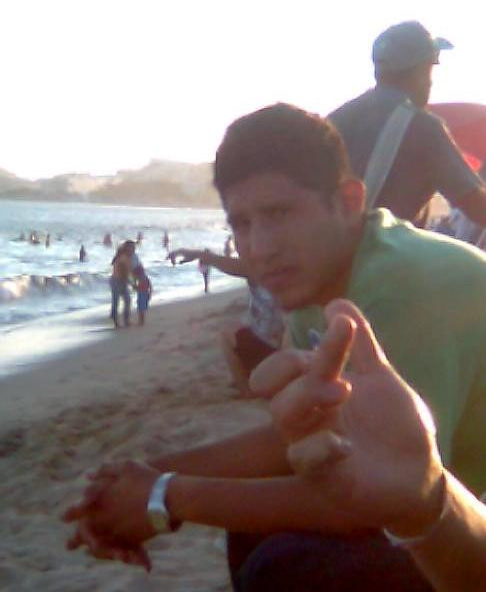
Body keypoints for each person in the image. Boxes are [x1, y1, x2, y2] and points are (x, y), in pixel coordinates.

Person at [64, 103, 485, 590]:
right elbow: (309, 434)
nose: (260, 247)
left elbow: (391, 488)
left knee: (282, 565)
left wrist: (166, 496)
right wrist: (144, 479)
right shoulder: (322, 277)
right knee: (252, 533)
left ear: (348, 202)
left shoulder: (402, 286)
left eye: (279, 214)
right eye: (241, 224)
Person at [250, 299, 486, 592]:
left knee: (279, 565)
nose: (260, 257)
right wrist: (425, 504)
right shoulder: (304, 316)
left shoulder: (410, 300)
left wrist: (186, 494)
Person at [329, 20, 486, 228]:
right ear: (421, 72)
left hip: (326, 246)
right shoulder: (422, 128)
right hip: (381, 246)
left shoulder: (336, 119)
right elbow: (476, 205)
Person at [169, 248, 285, 395]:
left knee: (226, 336)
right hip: (272, 344)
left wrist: (200, 255)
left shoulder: (261, 268)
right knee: (237, 330)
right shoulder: (272, 265)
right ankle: (250, 379)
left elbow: (235, 267)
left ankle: (246, 390)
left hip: (275, 349)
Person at [109, 241, 135, 328]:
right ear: (128, 248)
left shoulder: (126, 257)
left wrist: (132, 282)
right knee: (117, 301)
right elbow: (123, 274)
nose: (134, 250)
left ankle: (124, 320)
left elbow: (128, 272)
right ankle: (117, 321)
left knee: (126, 300)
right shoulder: (123, 258)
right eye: (132, 248)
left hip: (120, 281)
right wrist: (132, 284)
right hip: (117, 281)